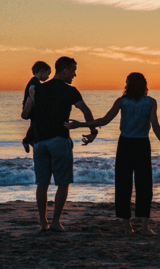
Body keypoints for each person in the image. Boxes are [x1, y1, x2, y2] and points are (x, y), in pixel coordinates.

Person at [64, 73, 160, 235]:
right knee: (144, 185)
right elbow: (155, 125)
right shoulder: (150, 102)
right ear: (144, 85)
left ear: (128, 84)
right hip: (141, 145)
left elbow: (104, 121)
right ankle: (145, 227)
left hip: (126, 144)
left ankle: (128, 227)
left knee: (123, 185)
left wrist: (81, 124)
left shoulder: (122, 101)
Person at [21, 56, 98, 232]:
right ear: (64, 70)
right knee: (63, 183)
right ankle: (55, 222)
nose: (75, 74)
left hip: (40, 143)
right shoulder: (70, 91)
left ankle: (43, 223)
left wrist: (32, 99)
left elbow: (26, 114)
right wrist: (93, 132)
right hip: (59, 140)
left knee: (42, 184)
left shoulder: (37, 89)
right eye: (73, 70)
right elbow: (86, 111)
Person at [21, 61, 51, 153]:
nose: (48, 77)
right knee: (35, 123)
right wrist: (35, 101)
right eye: (48, 73)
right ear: (42, 71)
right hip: (31, 106)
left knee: (34, 123)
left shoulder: (35, 81)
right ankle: (27, 140)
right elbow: (31, 90)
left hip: (31, 106)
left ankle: (30, 140)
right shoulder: (35, 80)